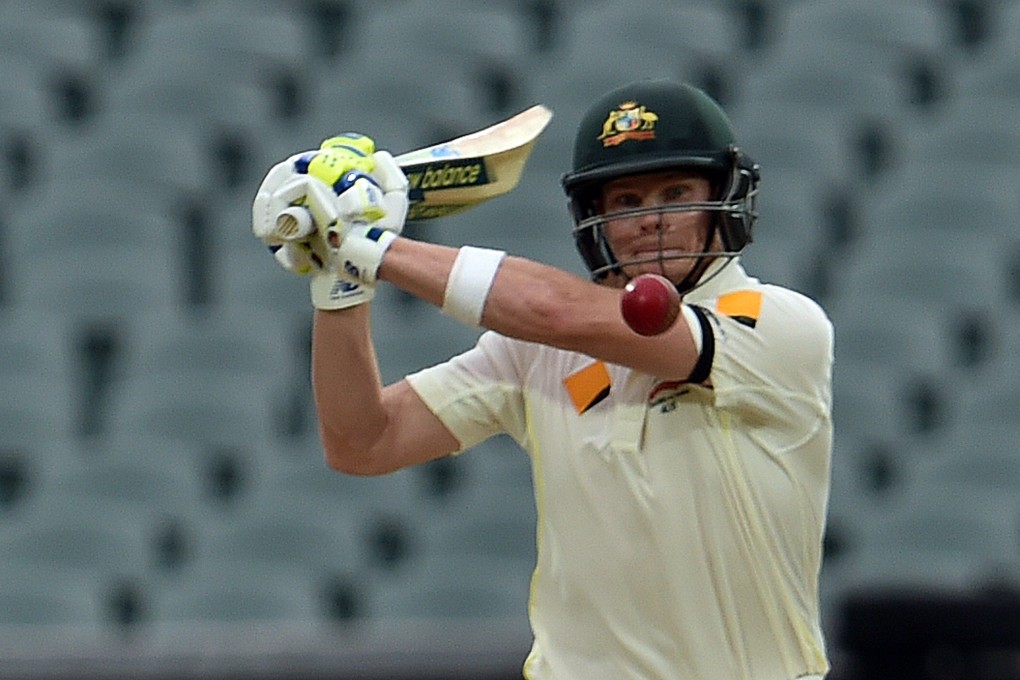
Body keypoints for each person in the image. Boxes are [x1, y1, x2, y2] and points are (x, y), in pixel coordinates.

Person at [252, 79, 834, 680]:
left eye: (676, 193)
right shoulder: (536, 356)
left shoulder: (781, 328)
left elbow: (555, 312)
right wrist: (340, 286)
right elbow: (361, 441)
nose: (650, 221)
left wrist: (367, 244)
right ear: (595, 219)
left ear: (727, 198)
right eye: (626, 202)